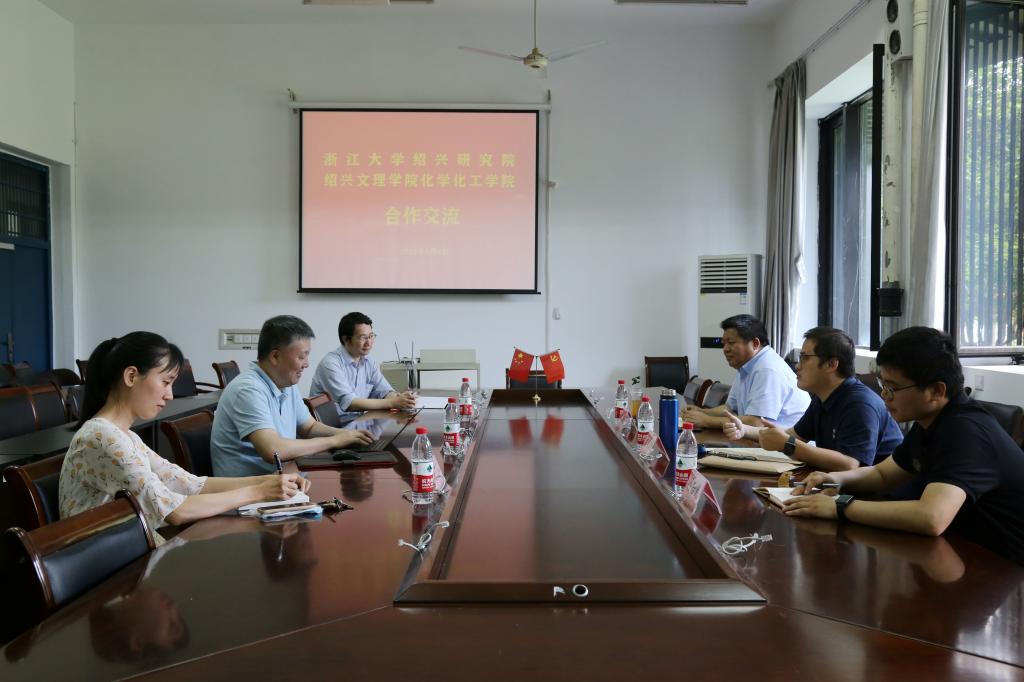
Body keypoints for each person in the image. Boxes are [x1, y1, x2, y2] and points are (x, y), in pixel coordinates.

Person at [784, 327, 1024, 565]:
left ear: (936, 391)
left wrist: (839, 506)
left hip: (1005, 565)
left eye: (893, 388)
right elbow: (882, 474)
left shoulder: (965, 430)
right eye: (883, 384)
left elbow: (931, 518)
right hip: (961, 550)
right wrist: (836, 479)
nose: (884, 395)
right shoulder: (930, 422)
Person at [59, 332, 309, 545]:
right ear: (131, 376)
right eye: (165, 382)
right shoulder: (103, 438)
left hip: (126, 554)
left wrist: (270, 481)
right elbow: (174, 511)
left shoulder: (124, 436)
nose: (169, 395)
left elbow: (189, 484)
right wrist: (259, 491)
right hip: (107, 570)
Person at [212, 315, 373, 477]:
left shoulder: (286, 384)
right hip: (250, 488)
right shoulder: (248, 390)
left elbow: (309, 428)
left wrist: (343, 435)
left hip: (283, 478)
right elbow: (272, 450)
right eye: (302, 356)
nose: (306, 364)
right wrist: (333, 441)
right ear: (275, 356)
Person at [723, 326, 903, 470]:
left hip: (882, 496)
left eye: (804, 358)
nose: (797, 366)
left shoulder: (859, 404)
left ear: (831, 364)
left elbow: (849, 464)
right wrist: (744, 430)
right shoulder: (823, 397)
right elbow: (793, 435)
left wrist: (789, 445)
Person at [683, 314, 809, 429]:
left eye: (731, 342)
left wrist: (706, 420)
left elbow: (757, 422)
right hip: (759, 440)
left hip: (786, 445)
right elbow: (730, 409)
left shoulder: (768, 369)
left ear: (755, 344)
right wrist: (701, 412)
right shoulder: (747, 366)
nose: (725, 349)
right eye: (724, 344)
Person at [309, 312, 416, 419]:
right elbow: (350, 403)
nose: (369, 342)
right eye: (363, 337)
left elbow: (384, 391)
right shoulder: (331, 363)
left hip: (357, 421)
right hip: (335, 425)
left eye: (371, 336)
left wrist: (401, 398)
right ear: (346, 339)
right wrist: (393, 403)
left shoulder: (369, 362)